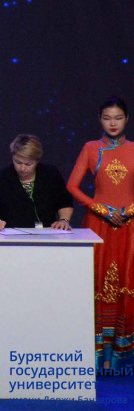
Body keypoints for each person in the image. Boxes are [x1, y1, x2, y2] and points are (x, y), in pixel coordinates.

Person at [68, 97, 134, 372]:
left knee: (126, 284)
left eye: (118, 117)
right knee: (97, 284)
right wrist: (101, 209)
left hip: (130, 227)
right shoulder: (90, 148)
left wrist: (129, 210)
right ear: (100, 120)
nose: (113, 123)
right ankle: (96, 357)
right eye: (107, 118)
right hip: (98, 226)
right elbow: (72, 186)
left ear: (126, 119)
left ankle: (120, 357)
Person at [0, 134, 73, 231]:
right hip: (13, 237)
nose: (22, 168)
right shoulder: (0, 179)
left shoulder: (51, 174)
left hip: (49, 235)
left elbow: (64, 202)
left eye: (28, 164)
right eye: (18, 162)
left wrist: (64, 220)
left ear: (37, 160)